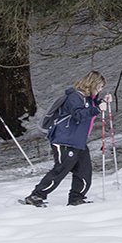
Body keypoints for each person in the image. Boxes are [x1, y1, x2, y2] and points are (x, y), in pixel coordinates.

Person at [20, 72, 107, 207]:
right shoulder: (74, 97)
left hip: (78, 141)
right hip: (64, 140)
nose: (100, 90)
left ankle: (76, 198)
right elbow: (78, 114)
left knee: (84, 171)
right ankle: (36, 195)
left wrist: (102, 101)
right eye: (99, 87)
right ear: (92, 85)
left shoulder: (88, 98)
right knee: (61, 169)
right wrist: (96, 110)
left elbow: (91, 105)